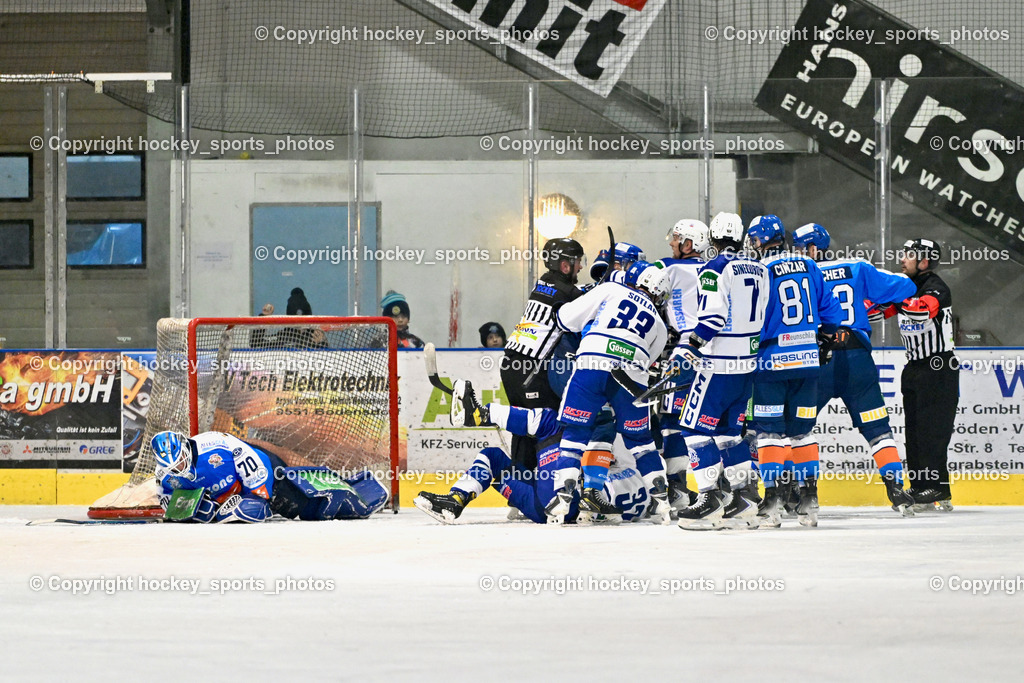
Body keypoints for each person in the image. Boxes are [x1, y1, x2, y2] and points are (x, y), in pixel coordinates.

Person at [791, 223, 917, 515]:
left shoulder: (801, 272)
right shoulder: (857, 267)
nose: (796, 253)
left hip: (818, 359)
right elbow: (905, 286)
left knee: (796, 429)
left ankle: (799, 493)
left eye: (799, 247)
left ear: (812, 248)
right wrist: (868, 302)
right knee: (877, 429)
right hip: (858, 358)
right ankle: (897, 491)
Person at [414, 380, 650, 524]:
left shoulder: (610, 435)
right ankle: (455, 500)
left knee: (548, 423)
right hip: (551, 506)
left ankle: (479, 415)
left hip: (554, 501)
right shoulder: (634, 459)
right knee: (506, 455)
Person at [545, 261, 672, 524]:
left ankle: (563, 496)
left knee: (576, 432)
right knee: (641, 442)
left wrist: (560, 309)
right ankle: (662, 503)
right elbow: (650, 359)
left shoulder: (611, 290)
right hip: (631, 374)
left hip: (593, 362)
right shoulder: (659, 324)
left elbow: (566, 319)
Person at [671, 212, 769, 530]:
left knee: (694, 430)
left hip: (718, 365)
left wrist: (690, 347)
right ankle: (744, 499)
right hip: (747, 366)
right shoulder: (759, 268)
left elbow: (712, 319)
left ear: (712, 239)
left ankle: (709, 499)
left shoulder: (714, 268)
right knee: (729, 434)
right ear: (740, 238)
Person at [747, 214, 843, 528]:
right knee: (802, 432)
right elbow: (832, 311)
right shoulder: (809, 265)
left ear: (760, 241)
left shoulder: (759, 270)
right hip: (806, 362)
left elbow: (751, 318)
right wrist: (825, 339)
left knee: (770, 432)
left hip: (771, 361)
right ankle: (810, 499)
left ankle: (772, 500)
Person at [872, 238, 958, 511]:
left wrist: (895, 293)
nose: (902, 260)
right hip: (914, 368)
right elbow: (876, 313)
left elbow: (921, 311)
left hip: (939, 367)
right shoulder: (906, 287)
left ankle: (938, 488)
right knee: (915, 431)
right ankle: (921, 485)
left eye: (909, 255)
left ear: (925, 261)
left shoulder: (936, 288)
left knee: (934, 431)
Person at [152, 430, 388, 523]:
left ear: (185, 448)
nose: (179, 469)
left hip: (266, 471)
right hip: (230, 494)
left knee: (308, 509)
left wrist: (259, 495)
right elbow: (171, 505)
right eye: (172, 467)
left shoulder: (214, 444)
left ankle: (357, 493)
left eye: (181, 460)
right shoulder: (164, 476)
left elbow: (249, 461)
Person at [502, 238, 585, 470]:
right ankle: (544, 489)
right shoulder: (568, 292)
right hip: (530, 370)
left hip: (511, 365)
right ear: (565, 265)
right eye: (577, 261)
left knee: (524, 429)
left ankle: (521, 489)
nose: (580, 267)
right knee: (547, 424)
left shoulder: (542, 282)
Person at [654, 219, 710, 513]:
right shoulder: (718, 270)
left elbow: (641, 287)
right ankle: (724, 489)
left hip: (684, 352)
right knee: (711, 421)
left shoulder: (668, 266)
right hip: (716, 353)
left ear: (689, 244)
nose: (672, 243)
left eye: (677, 239)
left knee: (672, 421)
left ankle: (677, 487)